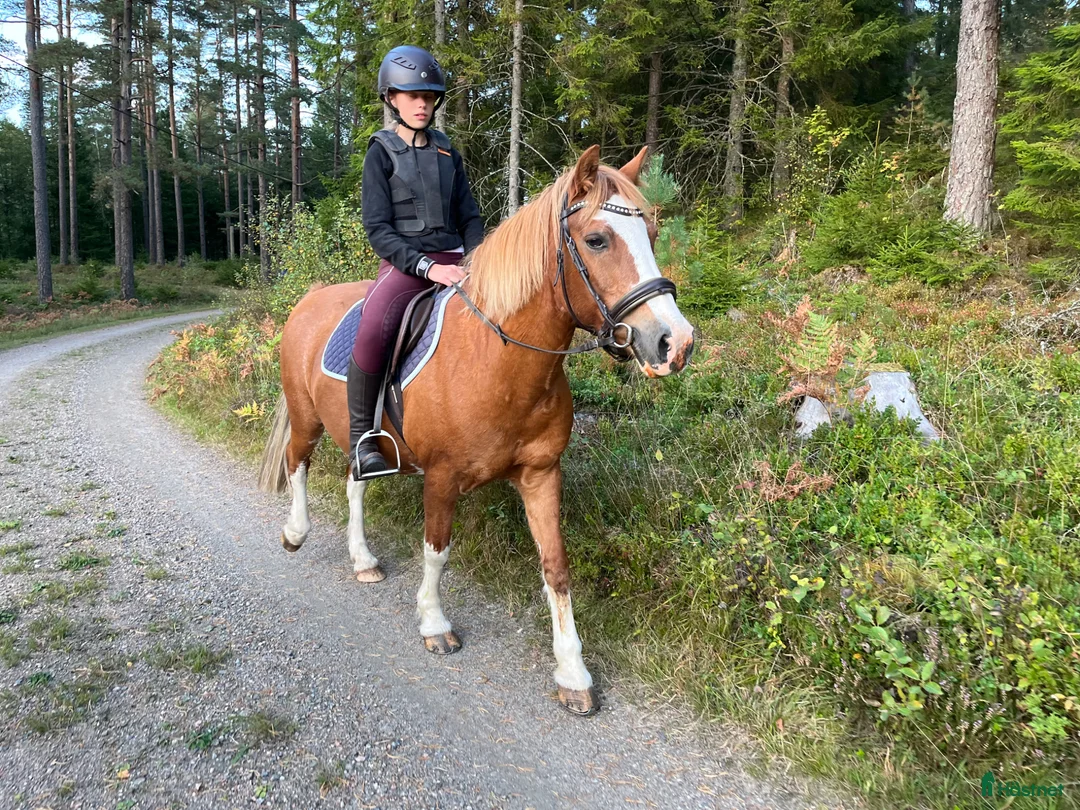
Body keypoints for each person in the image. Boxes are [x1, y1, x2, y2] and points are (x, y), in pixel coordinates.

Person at [348, 45, 485, 480]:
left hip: (460, 262)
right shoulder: (381, 152)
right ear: (392, 98)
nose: (422, 103)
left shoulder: (448, 152)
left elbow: (470, 216)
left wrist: (477, 259)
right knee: (372, 327)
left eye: (428, 95)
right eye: (412, 96)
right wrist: (429, 268)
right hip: (407, 265)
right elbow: (379, 230)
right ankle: (362, 443)